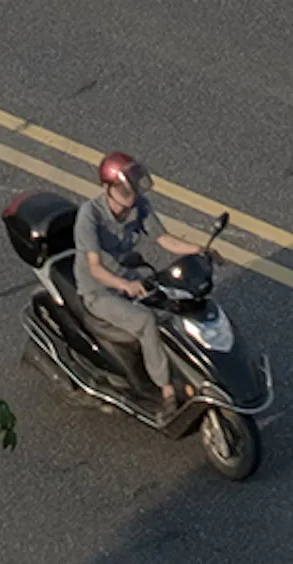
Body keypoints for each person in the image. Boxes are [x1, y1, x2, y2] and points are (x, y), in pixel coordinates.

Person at [74, 149, 202, 411]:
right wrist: (124, 285)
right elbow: (95, 268)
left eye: (130, 189)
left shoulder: (139, 205)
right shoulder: (90, 215)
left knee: (173, 304)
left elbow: (164, 239)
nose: (129, 196)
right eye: (123, 190)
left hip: (129, 277)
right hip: (100, 291)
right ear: (106, 187)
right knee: (146, 321)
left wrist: (200, 250)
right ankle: (166, 391)